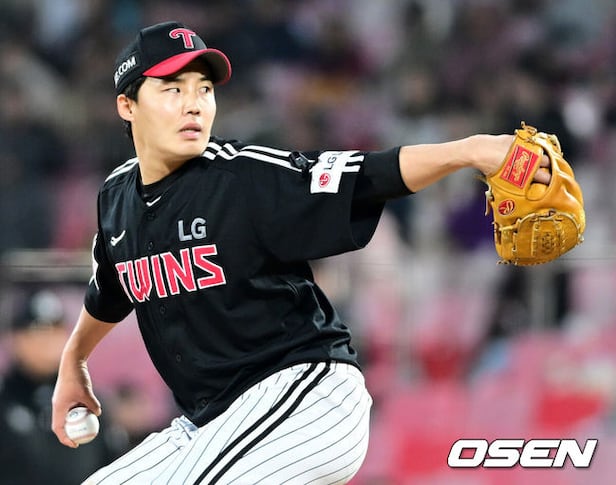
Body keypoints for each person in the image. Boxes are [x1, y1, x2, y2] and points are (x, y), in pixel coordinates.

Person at [51, 21, 551, 484]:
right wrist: (74, 361)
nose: (194, 104)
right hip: (213, 420)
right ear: (127, 106)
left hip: (306, 395)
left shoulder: (241, 177)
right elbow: (109, 291)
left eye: (203, 89)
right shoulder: (116, 200)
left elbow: (366, 174)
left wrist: (470, 151)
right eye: (173, 89)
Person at [0, 289, 117, 485]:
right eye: (36, 332)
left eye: (54, 331)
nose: (46, 342)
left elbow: (112, 465)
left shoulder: (88, 399)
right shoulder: (5, 400)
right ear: (15, 339)